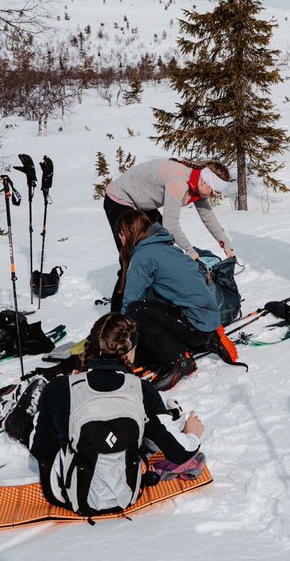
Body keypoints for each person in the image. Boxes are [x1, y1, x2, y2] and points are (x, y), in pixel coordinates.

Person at [28, 313, 206, 512]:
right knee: (150, 430)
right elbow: (179, 452)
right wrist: (192, 435)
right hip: (127, 493)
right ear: (129, 351)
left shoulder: (60, 388)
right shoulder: (143, 391)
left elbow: (40, 449)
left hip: (67, 495)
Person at [117, 210, 222, 390]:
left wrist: (117, 339)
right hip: (207, 320)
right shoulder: (165, 246)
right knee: (147, 307)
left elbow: (130, 304)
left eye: (120, 234)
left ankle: (179, 359)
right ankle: (200, 341)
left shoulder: (143, 256)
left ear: (125, 234)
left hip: (195, 326)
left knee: (136, 311)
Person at [103, 158, 234, 260]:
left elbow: (208, 216)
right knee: (131, 255)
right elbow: (170, 224)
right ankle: (123, 294)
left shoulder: (197, 181)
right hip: (119, 199)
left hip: (143, 204)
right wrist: (189, 251)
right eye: (214, 191)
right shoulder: (180, 181)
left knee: (163, 240)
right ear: (205, 181)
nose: (212, 196)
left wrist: (225, 244)